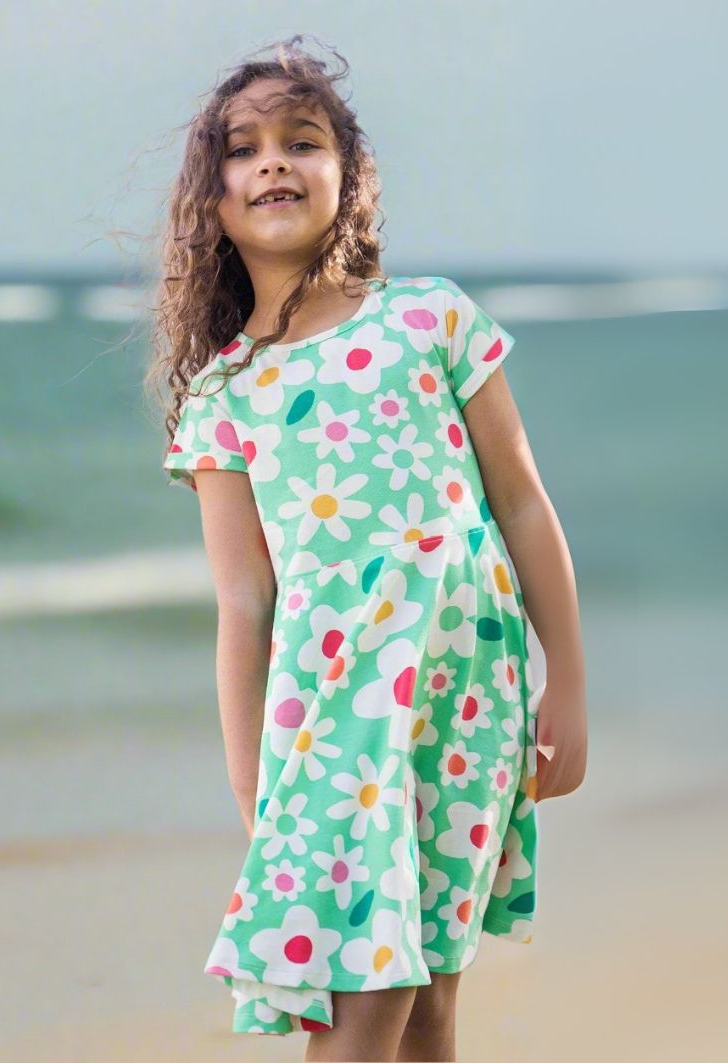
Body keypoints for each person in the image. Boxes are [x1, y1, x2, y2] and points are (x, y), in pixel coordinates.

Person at [146, 35, 587, 1062]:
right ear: (212, 199)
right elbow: (243, 602)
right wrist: (254, 788)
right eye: (243, 149)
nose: (272, 161)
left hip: (467, 702)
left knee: (429, 997)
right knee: (365, 999)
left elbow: (521, 504)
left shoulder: (430, 318)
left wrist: (565, 679)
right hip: (332, 726)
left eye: (301, 140)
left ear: (349, 174)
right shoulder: (225, 391)